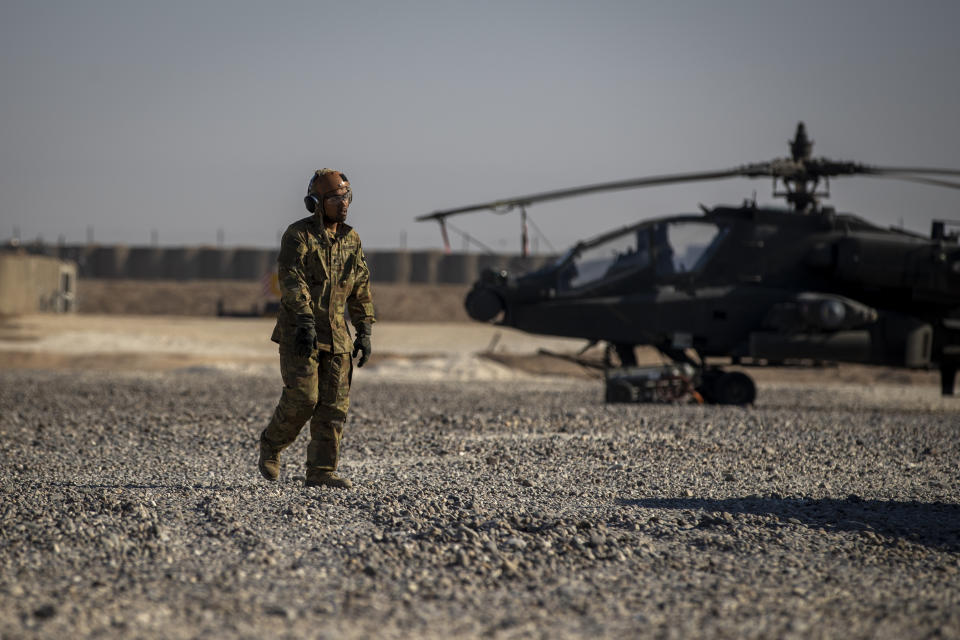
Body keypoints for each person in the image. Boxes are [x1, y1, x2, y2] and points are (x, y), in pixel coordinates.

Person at [258, 168, 375, 489]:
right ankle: (271, 444)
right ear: (316, 202)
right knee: (303, 399)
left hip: (338, 337)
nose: (344, 203)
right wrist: (305, 320)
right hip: (301, 331)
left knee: (334, 407)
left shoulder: (351, 239)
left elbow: (360, 286)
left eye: (347, 197)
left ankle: (322, 470)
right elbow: (292, 280)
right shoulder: (298, 236)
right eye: (336, 198)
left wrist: (364, 328)